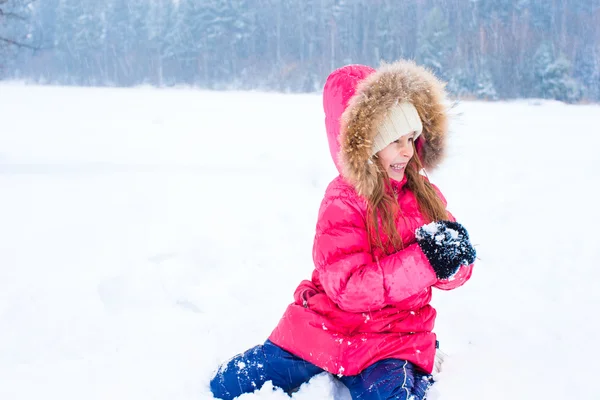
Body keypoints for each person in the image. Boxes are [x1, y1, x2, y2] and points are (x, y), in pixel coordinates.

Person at [209, 59, 477, 400]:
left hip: (394, 337)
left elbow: (455, 273)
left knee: (390, 394)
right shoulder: (342, 200)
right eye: (395, 140)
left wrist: (452, 260)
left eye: (412, 138)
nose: (407, 151)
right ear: (365, 146)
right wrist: (423, 262)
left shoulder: (425, 196)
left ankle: (413, 373)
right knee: (226, 385)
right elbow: (348, 288)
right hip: (328, 329)